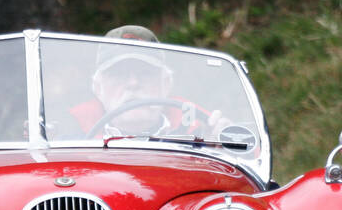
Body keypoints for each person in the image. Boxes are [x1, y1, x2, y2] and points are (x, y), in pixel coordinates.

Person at [69, 25, 230, 139]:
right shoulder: (67, 133)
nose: (133, 83)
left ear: (166, 84)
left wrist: (218, 144)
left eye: (145, 73)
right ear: (98, 88)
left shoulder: (202, 128)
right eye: (118, 74)